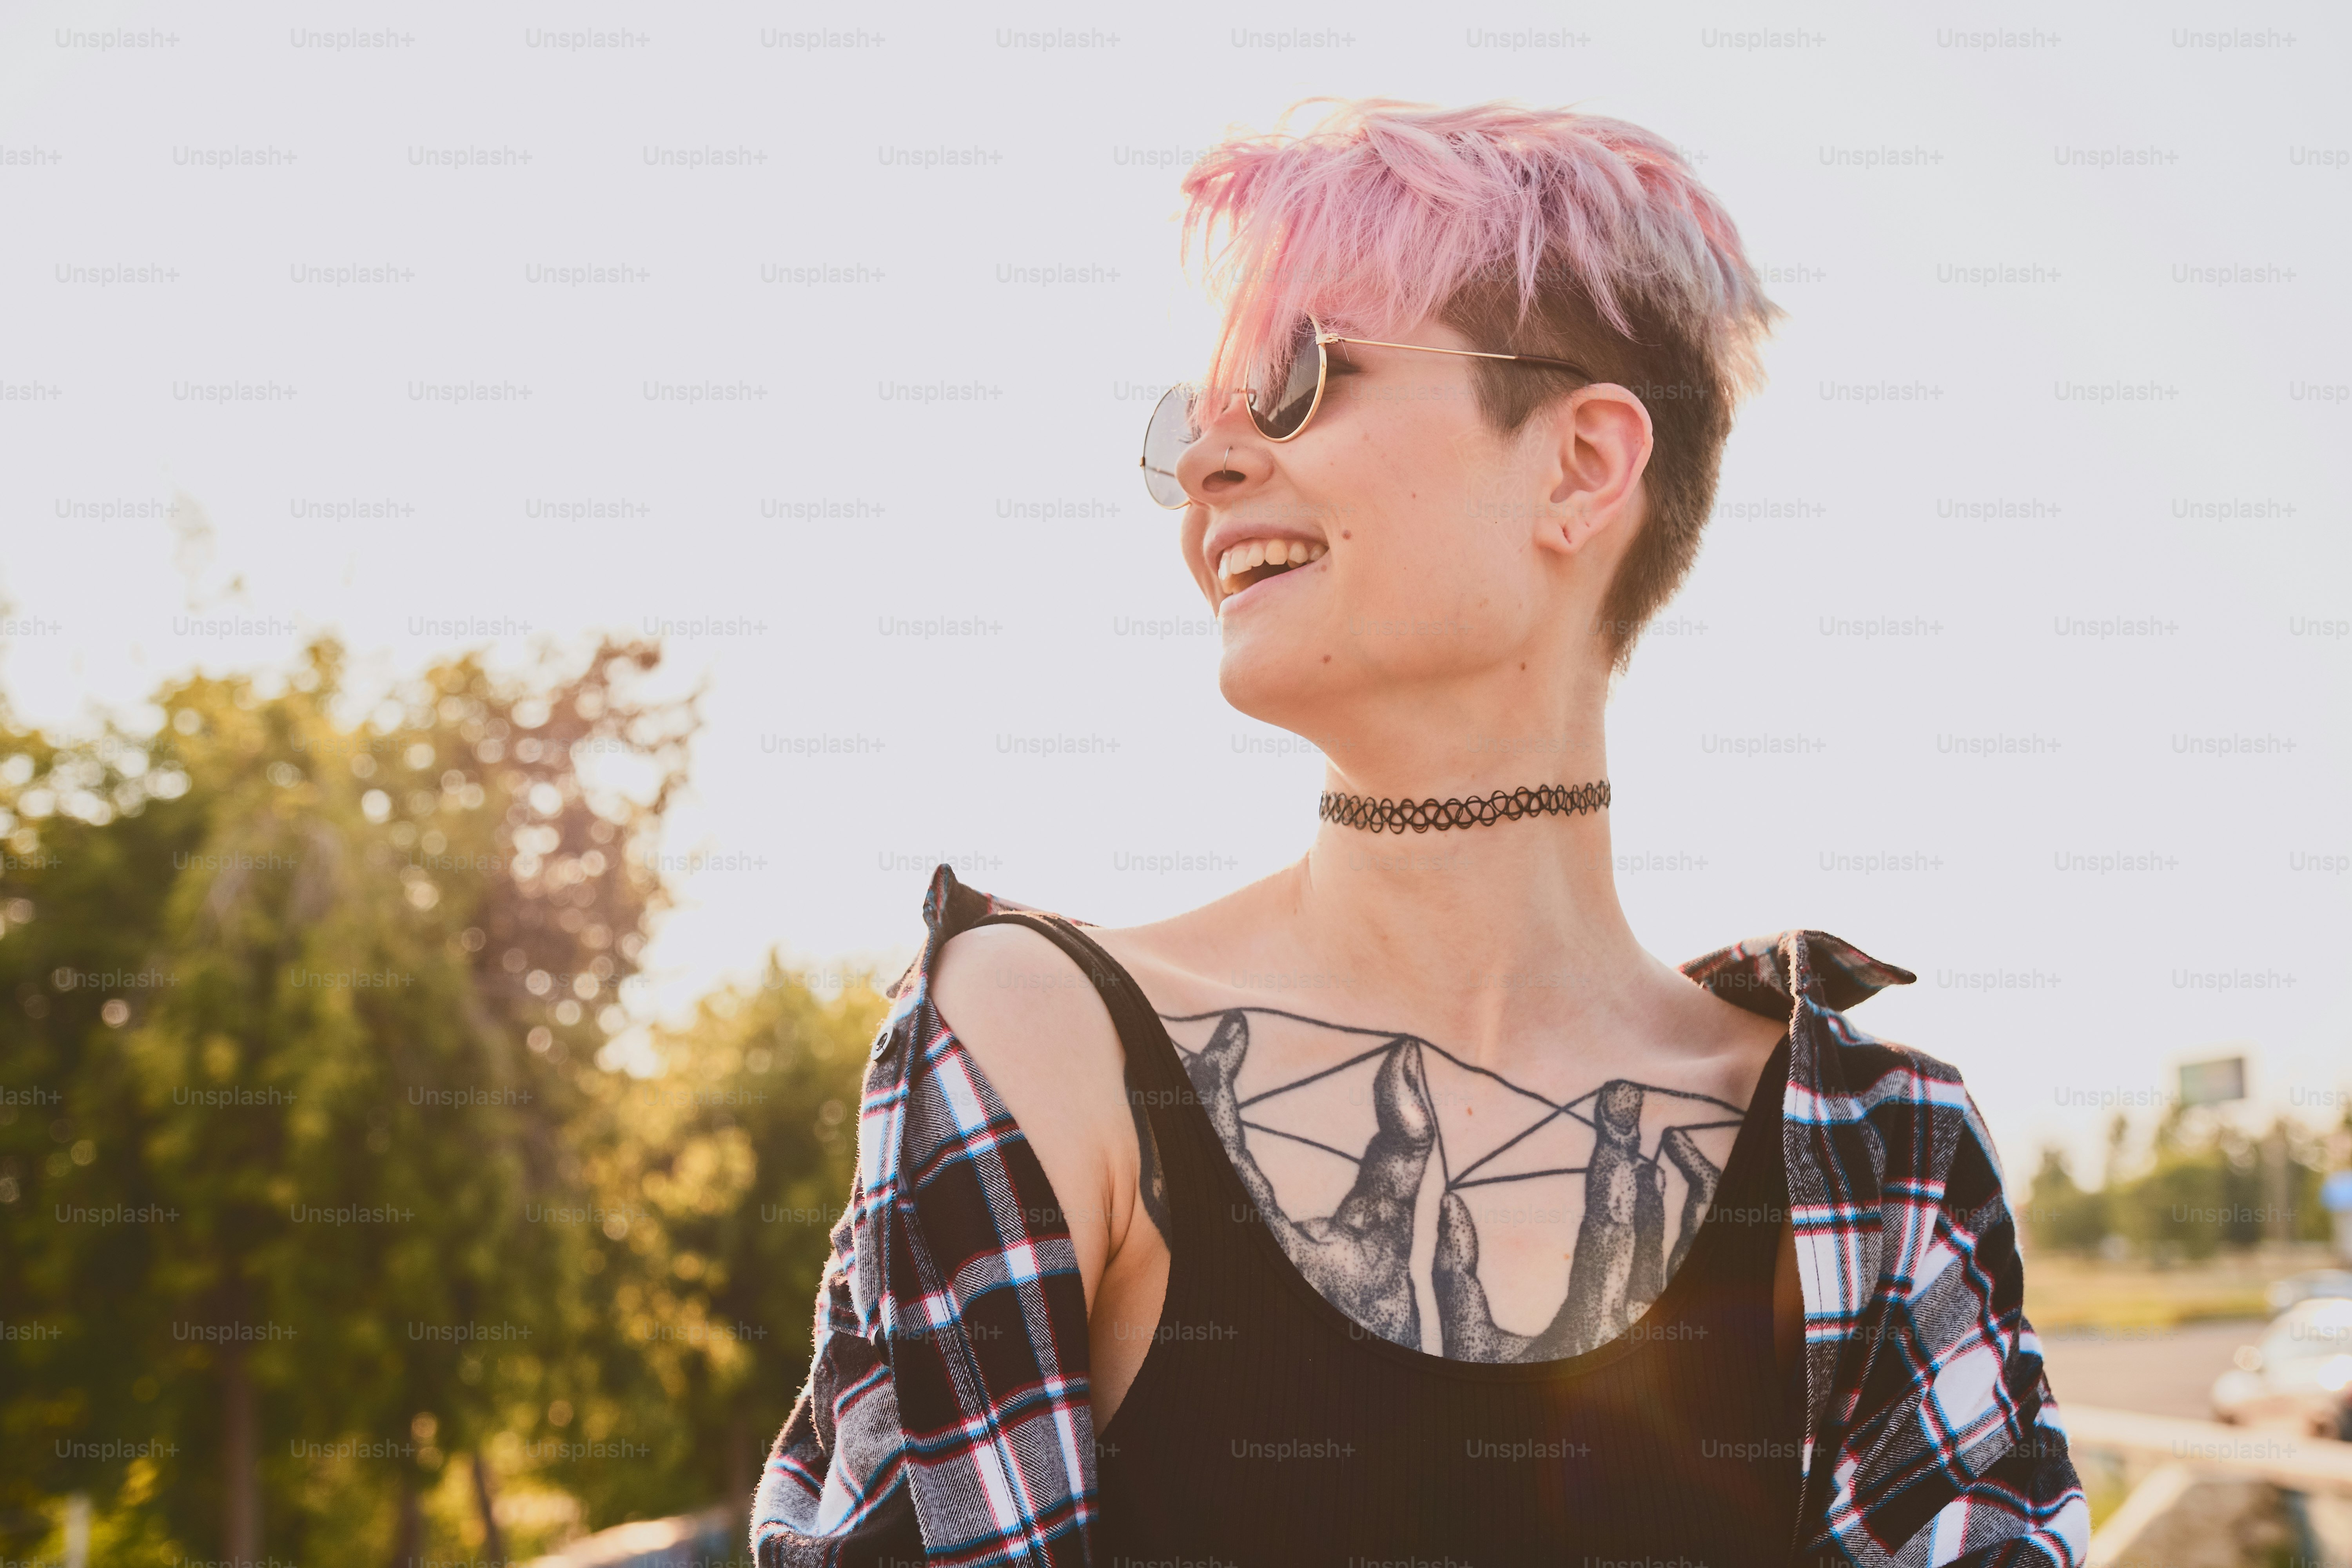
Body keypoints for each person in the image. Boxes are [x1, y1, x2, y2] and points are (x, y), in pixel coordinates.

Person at [753, 98, 2087, 1568]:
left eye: (1299, 378)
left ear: (1582, 465)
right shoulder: (1033, 1045)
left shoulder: (1875, 1153)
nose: (1208, 464)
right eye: (1187, 420)